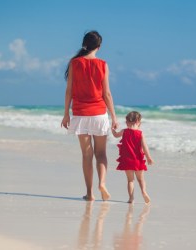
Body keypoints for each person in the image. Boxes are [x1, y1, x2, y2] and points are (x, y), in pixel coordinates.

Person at [61, 30, 118, 201]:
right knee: (101, 154)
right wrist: (114, 117)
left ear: (84, 44)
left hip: (80, 114)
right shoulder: (103, 64)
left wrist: (66, 114)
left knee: (87, 155)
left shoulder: (74, 63)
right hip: (99, 114)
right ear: (99, 47)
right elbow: (107, 93)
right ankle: (102, 183)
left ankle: (90, 193)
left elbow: (69, 90)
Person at [111, 111, 154, 204]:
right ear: (139, 122)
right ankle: (144, 192)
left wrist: (112, 129)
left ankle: (131, 198)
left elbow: (115, 135)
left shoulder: (124, 131)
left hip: (127, 161)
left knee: (130, 180)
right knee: (141, 179)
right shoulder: (140, 133)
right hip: (138, 160)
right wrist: (149, 157)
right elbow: (145, 147)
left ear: (127, 122)